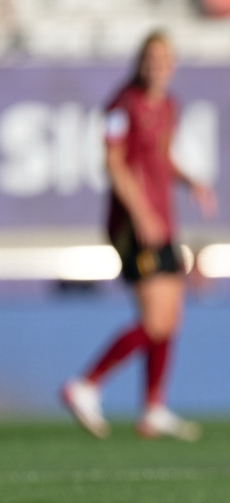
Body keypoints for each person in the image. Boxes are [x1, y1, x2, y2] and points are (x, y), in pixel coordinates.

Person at [61, 31, 216, 441]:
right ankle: (86, 385)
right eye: (150, 58)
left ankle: (153, 408)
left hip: (162, 220)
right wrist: (142, 212)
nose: (157, 66)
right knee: (154, 319)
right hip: (133, 224)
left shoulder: (168, 106)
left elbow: (161, 159)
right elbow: (113, 164)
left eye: (164, 59)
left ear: (173, 64)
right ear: (139, 62)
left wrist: (190, 181)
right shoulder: (122, 105)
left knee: (171, 317)